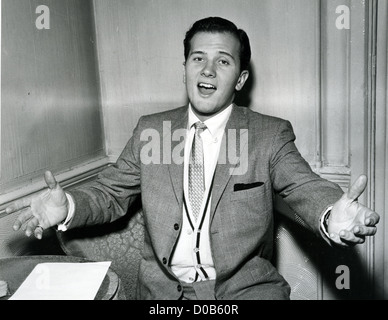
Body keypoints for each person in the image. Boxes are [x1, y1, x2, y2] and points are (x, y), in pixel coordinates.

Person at [5, 17, 380, 300]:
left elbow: (304, 185)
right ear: (185, 68)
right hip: (163, 297)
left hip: (244, 293)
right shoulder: (150, 129)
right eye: (197, 58)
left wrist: (331, 215)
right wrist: (68, 204)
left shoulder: (269, 134)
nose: (207, 69)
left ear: (240, 79)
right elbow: (109, 193)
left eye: (223, 61)